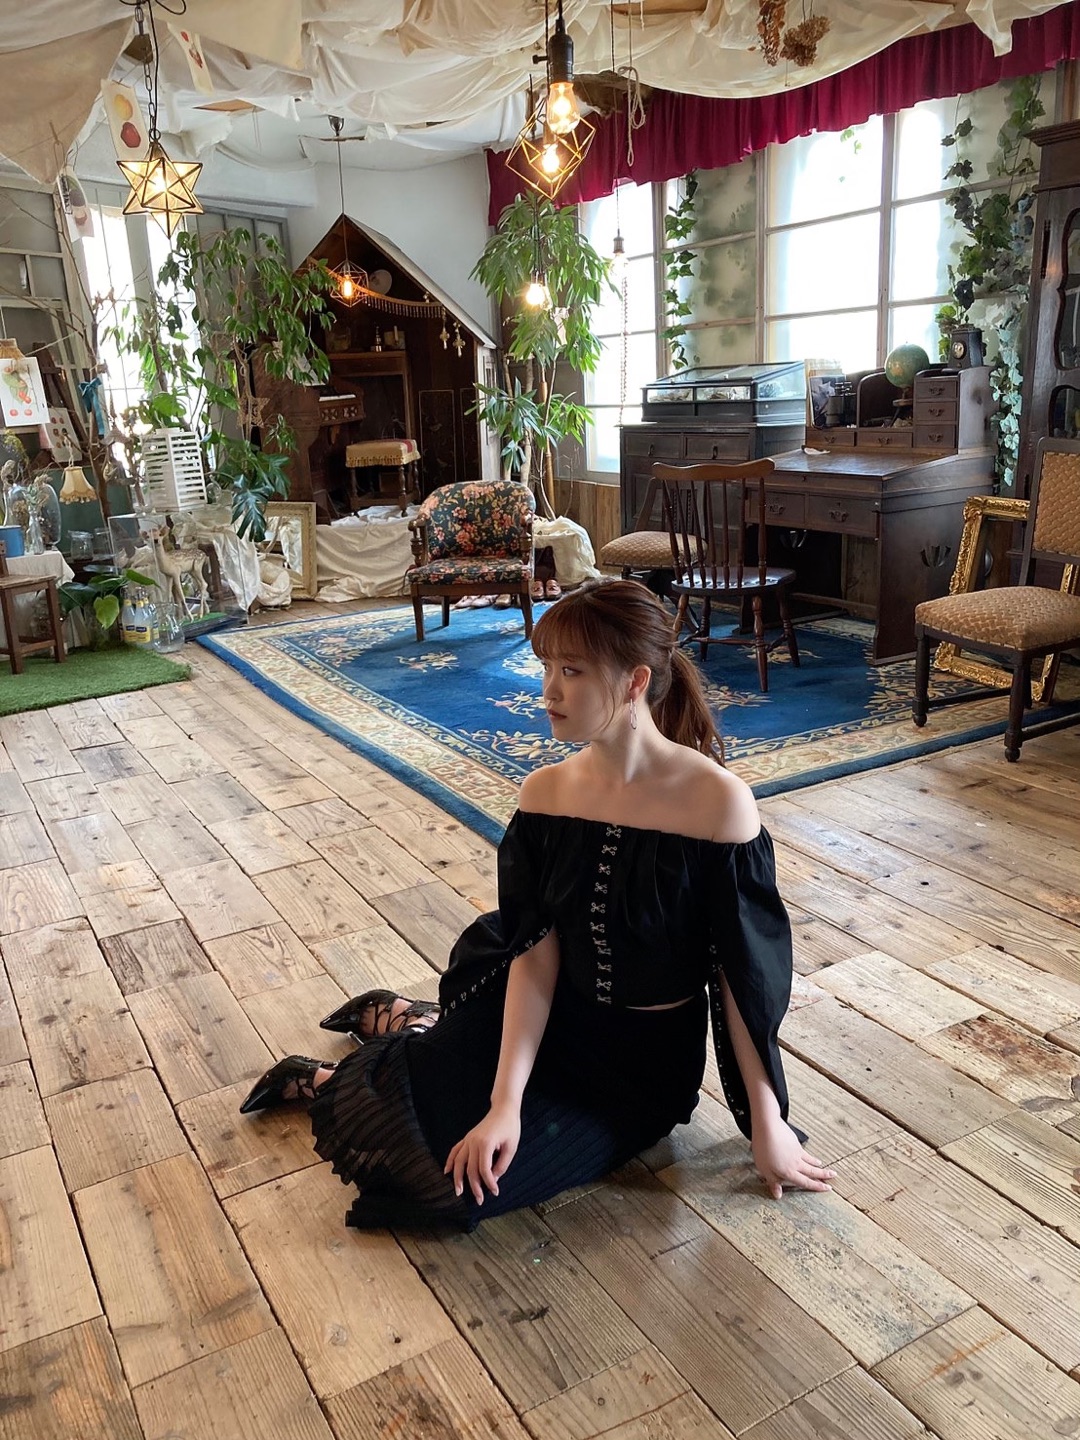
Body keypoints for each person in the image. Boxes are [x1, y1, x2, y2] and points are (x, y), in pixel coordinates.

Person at [239, 578, 834, 1226]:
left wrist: (767, 1122)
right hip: (544, 1017)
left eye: (571, 671)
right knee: (441, 1125)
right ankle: (357, 1059)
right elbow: (535, 956)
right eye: (546, 667)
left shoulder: (718, 803)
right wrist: (505, 1105)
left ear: (635, 682)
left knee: (450, 1192)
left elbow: (741, 976)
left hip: (642, 1068)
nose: (548, 690)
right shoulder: (545, 794)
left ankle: (397, 1029)